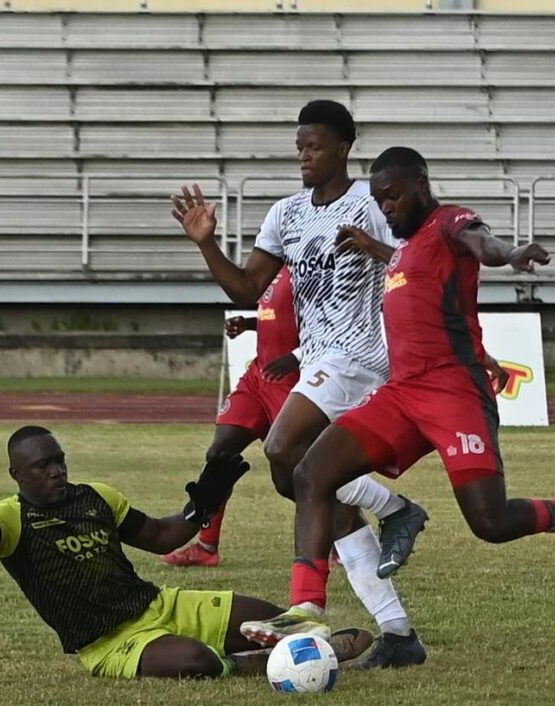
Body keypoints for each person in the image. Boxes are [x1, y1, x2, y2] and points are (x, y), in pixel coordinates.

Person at [241, 147, 555, 652]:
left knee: (491, 522)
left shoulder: (449, 221)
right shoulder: (403, 250)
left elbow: (479, 240)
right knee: (311, 472)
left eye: (393, 196)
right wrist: (374, 247)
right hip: (401, 394)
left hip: (454, 396)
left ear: (420, 184)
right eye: (379, 200)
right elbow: (425, 295)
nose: (386, 207)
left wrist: (509, 254)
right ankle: (307, 609)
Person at [172, 100, 428, 667]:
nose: (304, 157)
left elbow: (421, 264)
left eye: (314, 147)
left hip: (359, 357)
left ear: (344, 148)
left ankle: (308, 602)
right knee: (316, 493)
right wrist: (206, 242)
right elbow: (246, 288)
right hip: (318, 358)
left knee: (283, 447)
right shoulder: (285, 214)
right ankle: (399, 632)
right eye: (299, 148)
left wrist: (376, 247)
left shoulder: (373, 202)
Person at [0, 426, 372, 680]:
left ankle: (306, 648)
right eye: (42, 466)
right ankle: (261, 663)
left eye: (59, 460)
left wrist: (202, 506)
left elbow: (162, 536)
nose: (57, 471)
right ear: (16, 474)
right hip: (109, 642)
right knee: (196, 662)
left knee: (272, 617)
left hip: (157, 605)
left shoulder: (96, 497)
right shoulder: (9, 518)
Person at [161, 266, 301, 568]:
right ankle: (206, 546)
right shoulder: (271, 265)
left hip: (290, 380)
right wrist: (250, 323)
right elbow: (280, 318)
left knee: (296, 474)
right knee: (219, 455)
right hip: (258, 376)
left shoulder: (310, 264)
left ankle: (346, 534)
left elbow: (329, 325)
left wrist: (296, 357)